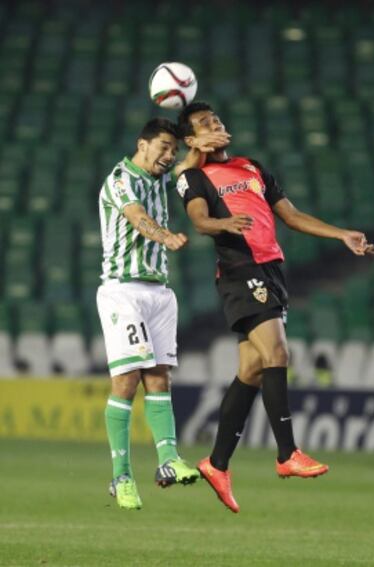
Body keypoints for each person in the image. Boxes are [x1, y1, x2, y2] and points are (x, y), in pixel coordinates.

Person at [176, 102, 374, 513]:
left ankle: (217, 464)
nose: (214, 125)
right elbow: (198, 220)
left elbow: (292, 215)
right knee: (278, 353)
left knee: (251, 369)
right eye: (203, 125)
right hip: (239, 270)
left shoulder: (252, 167)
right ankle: (287, 453)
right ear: (191, 140)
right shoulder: (192, 176)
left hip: (270, 270)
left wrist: (342, 235)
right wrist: (222, 224)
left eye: (216, 120)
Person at [97, 117, 230, 510]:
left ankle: (169, 460)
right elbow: (136, 215)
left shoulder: (163, 175)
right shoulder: (121, 178)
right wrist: (166, 236)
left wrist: (200, 144)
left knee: (158, 378)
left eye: (174, 150)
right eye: (163, 148)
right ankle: (121, 477)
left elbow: (189, 166)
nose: (169, 156)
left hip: (159, 292)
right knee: (126, 381)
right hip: (124, 290)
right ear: (143, 145)